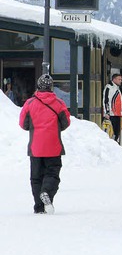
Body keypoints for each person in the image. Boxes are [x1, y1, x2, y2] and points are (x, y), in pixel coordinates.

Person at [19, 74, 71, 214]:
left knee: (36, 178)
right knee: (52, 174)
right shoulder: (59, 103)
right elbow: (66, 123)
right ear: (51, 87)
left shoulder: (29, 104)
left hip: (35, 147)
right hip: (54, 146)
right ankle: (46, 192)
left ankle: (39, 207)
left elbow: (23, 124)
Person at [103, 73, 122, 143]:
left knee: (117, 133)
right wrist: (107, 112)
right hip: (111, 114)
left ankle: (115, 143)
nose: (120, 81)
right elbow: (106, 100)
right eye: (119, 79)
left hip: (117, 114)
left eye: (121, 79)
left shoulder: (116, 88)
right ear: (114, 79)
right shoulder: (109, 87)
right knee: (112, 132)